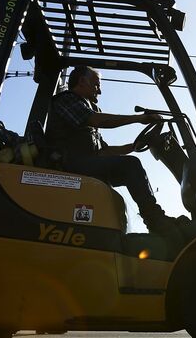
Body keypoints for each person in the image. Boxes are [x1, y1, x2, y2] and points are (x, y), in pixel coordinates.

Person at [45, 66, 177, 235]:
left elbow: (104, 152)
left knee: (130, 165)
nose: (99, 91)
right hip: (69, 164)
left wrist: (137, 145)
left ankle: (154, 218)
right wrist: (139, 118)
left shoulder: (86, 113)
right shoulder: (67, 101)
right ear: (82, 81)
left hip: (83, 163)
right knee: (130, 166)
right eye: (96, 85)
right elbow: (98, 120)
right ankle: (155, 220)